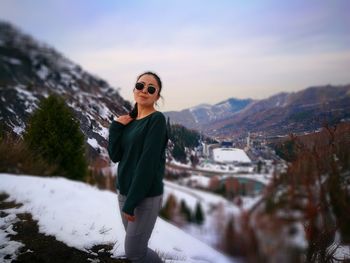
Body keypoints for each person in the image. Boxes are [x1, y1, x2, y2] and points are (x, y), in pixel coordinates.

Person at [108, 71, 168, 263]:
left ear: (157, 96)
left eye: (151, 89)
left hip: (145, 196)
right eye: (140, 86)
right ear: (134, 89)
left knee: (134, 252)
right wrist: (115, 127)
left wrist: (132, 202)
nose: (144, 91)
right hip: (124, 193)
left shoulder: (156, 120)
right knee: (137, 248)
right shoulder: (129, 122)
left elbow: (147, 165)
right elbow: (115, 156)